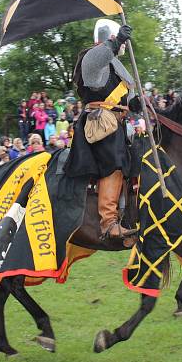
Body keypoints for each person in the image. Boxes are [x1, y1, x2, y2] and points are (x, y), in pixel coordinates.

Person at [64, 19, 138, 239]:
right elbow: (97, 64)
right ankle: (109, 223)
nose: (124, 46)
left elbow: (123, 99)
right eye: (119, 40)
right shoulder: (93, 57)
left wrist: (133, 105)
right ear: (111, 38)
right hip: (100, 125)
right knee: (113, 160)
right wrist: (117, 42)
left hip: (118, 123)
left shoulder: (115, 65)